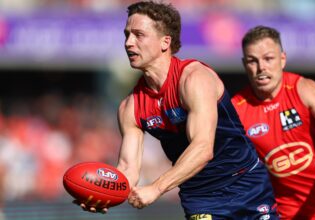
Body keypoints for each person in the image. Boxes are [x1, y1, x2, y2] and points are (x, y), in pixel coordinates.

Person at [80, 2, 278, 219]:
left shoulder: (194, 79)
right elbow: (127, 169)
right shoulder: (130, 107)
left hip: (246, 185)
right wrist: (104, 195)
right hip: (201, 198)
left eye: (139, 35)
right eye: (126, 34)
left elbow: (203, 149)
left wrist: (155, 188)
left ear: (165, 42)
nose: (128, 43)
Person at [231, 25, 315, 219]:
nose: (261, 67)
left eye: (268, 59)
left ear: (282, 59)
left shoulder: (304, 90)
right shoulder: (236, 109)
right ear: (244, 64)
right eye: (253, 61)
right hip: (290, 215)